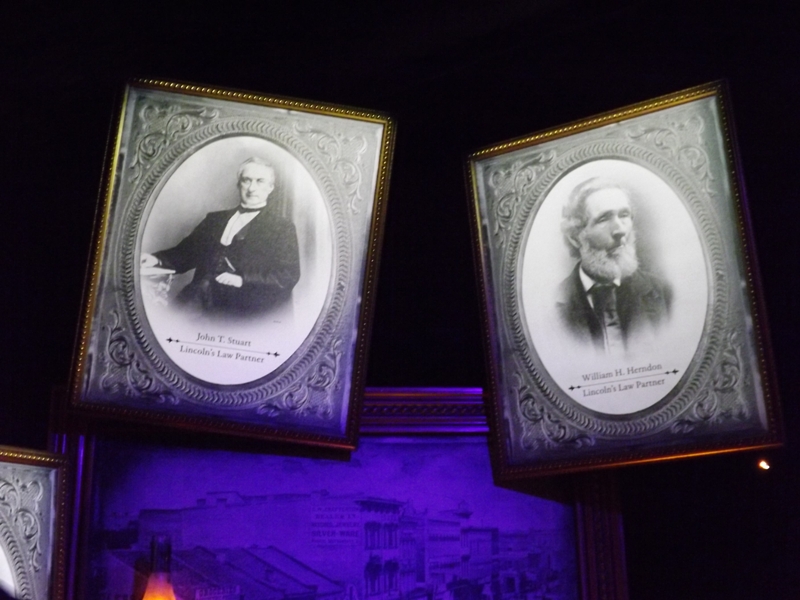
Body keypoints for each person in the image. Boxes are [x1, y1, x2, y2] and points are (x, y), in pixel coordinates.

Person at [141, 157, 300, 317]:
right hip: (200, 301)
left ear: (270, 187)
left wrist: (242, 280)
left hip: (245, 308)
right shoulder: (214, 220)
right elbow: (187, 252)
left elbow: (288, 275)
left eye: (260, 181)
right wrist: (157, 259)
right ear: (239, 184)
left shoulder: (282, 228)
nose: (252, 188)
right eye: (246, 180)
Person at [555, 177, 671, 354]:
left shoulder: (664, 293)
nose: (620, 230)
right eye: (603, 219)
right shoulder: (552, 307)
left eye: (624, 215)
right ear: (575, 237)